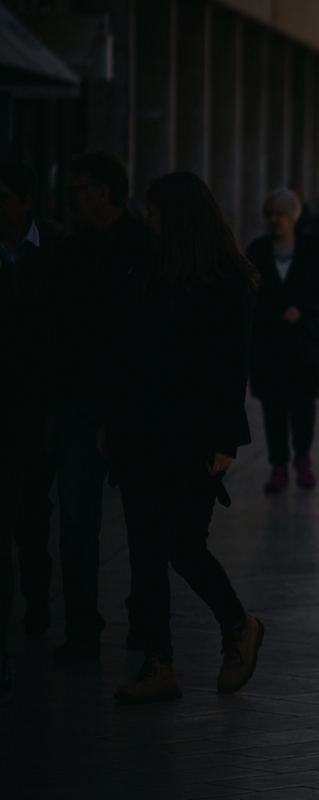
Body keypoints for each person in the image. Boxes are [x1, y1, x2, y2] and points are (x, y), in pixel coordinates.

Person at [106, 172, 264, 704]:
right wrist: (112, 423)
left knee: (182, 545)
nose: (148, 223)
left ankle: (238, 624)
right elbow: (125, 354)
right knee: (145, 551)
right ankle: (159, 665)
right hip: (140, 430)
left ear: (177, 218)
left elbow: (232, 366)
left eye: (154, 214)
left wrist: (224, 440)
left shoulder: (224, 278)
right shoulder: (146, 270)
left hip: (194, 436)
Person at [53, 152, 156, 664]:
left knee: (143, 522)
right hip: (79, 404)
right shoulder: (70, 252)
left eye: (77, 188)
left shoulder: (145, 248)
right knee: (76, 522)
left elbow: (146, 339)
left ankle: (145, 620)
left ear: (104, 192)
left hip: (132, 408)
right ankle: (81, 628)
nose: (69, 198)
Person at [0, 160, 58, 697]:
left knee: (34, 521)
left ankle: (38, 601)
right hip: (5, 408)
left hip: (37, 410)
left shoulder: (52, 251)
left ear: (25, 202)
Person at [246, 189, 319, 494]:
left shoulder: (310, 248)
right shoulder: (258, 249)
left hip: (302, 341)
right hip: (269, 339)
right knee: (273, 406)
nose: (274, 219)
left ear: (292, 217)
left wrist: (302, 308)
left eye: (280, 214)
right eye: (270, 214)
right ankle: (278, 465)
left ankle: (303, 458)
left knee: (303, 404)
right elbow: (249, 289)